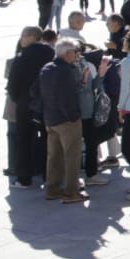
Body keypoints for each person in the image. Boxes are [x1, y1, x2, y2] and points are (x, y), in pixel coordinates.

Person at [38, 38, 88, 204]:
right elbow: (66, 98)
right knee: (71, 155)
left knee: (54, 155)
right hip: (67, 120)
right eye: (75, 51)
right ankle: (71, 192)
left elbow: (35, 92)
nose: (77, 55)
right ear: (67, 53)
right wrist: (74, 116)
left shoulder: (46, 68)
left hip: (50, 119)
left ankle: (52, 188)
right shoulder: (65, 71)